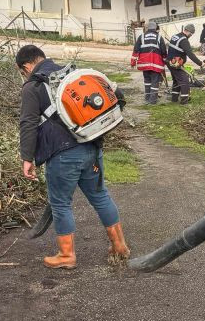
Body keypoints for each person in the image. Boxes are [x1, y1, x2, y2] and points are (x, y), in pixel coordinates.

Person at [17, 44, 129, 269]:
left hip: (62, 155)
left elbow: (28, 123)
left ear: (27, 66)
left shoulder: (33, 86)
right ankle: (120, 246)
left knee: (60, 203)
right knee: (100, 196)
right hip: (91, 146)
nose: (23, 75)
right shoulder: (72, 74)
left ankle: (66, 256)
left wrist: (27, 158)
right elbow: (118, 96)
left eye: (22, 72)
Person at [131, 20, 168, 105]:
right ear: (155, 28)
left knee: (147, 81)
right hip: (156, 64)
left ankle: (147, 98)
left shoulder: (141, 37)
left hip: (144, 64)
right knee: (155, 82)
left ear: (147, 28)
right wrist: (165, 61)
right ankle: (152, 101)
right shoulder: (159, 37)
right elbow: (163, 51)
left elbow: (136, 50)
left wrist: (133, 62)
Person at [166, 24, 204, 105]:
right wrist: (200, 63)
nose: (191, 36)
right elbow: (190, 54)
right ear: (189, 32)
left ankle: (174, 99)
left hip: (170, 62)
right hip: (175, 63)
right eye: (191, 34)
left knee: (176, 81)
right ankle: (184, 102)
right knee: (184, 81)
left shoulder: (175, 36)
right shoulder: (184, 40)